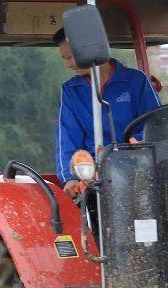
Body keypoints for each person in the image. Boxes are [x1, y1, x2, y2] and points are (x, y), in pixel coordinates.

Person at [54, 27, 160, 197]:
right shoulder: (71, 90)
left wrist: (131, 148)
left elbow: (155, 127)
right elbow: (67, 138)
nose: (68, 64)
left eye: (70, 57)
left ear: (90, 49)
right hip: (91, 176)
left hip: (137, 168)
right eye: (65, 59)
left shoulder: (136, 81)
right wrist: (69, 178)